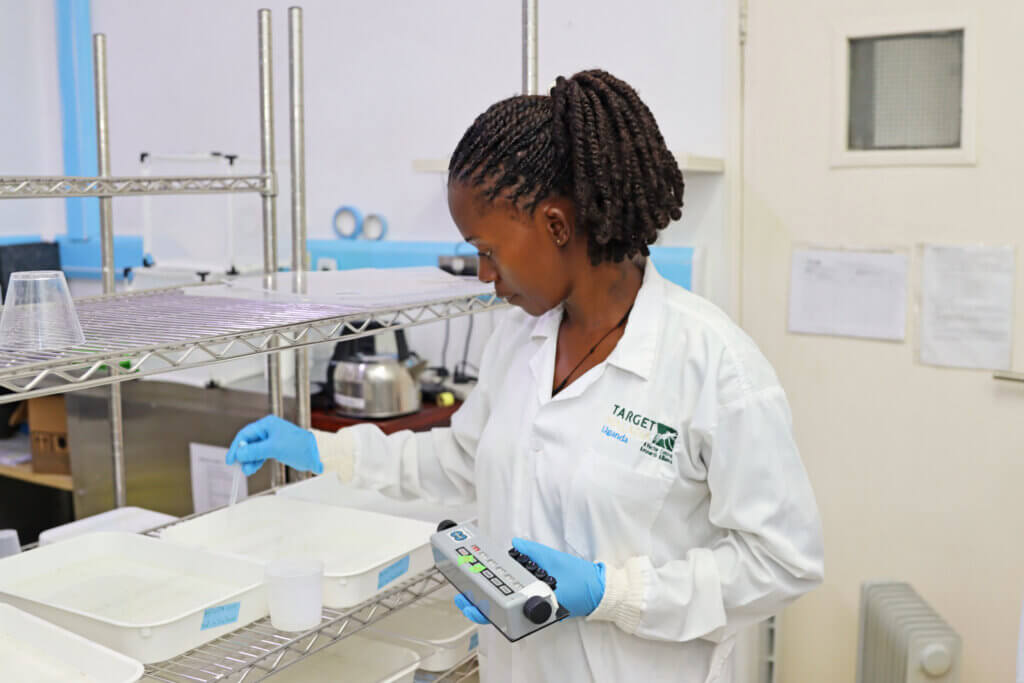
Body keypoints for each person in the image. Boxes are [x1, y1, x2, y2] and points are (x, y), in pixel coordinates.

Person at [226, 69, 824, 683]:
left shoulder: (713, 364)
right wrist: (324, 451)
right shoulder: (519, 338)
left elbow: (782, 561)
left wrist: (613, 592)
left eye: (487, 251)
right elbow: (463, 458)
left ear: (557, 226)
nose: (486, 276)